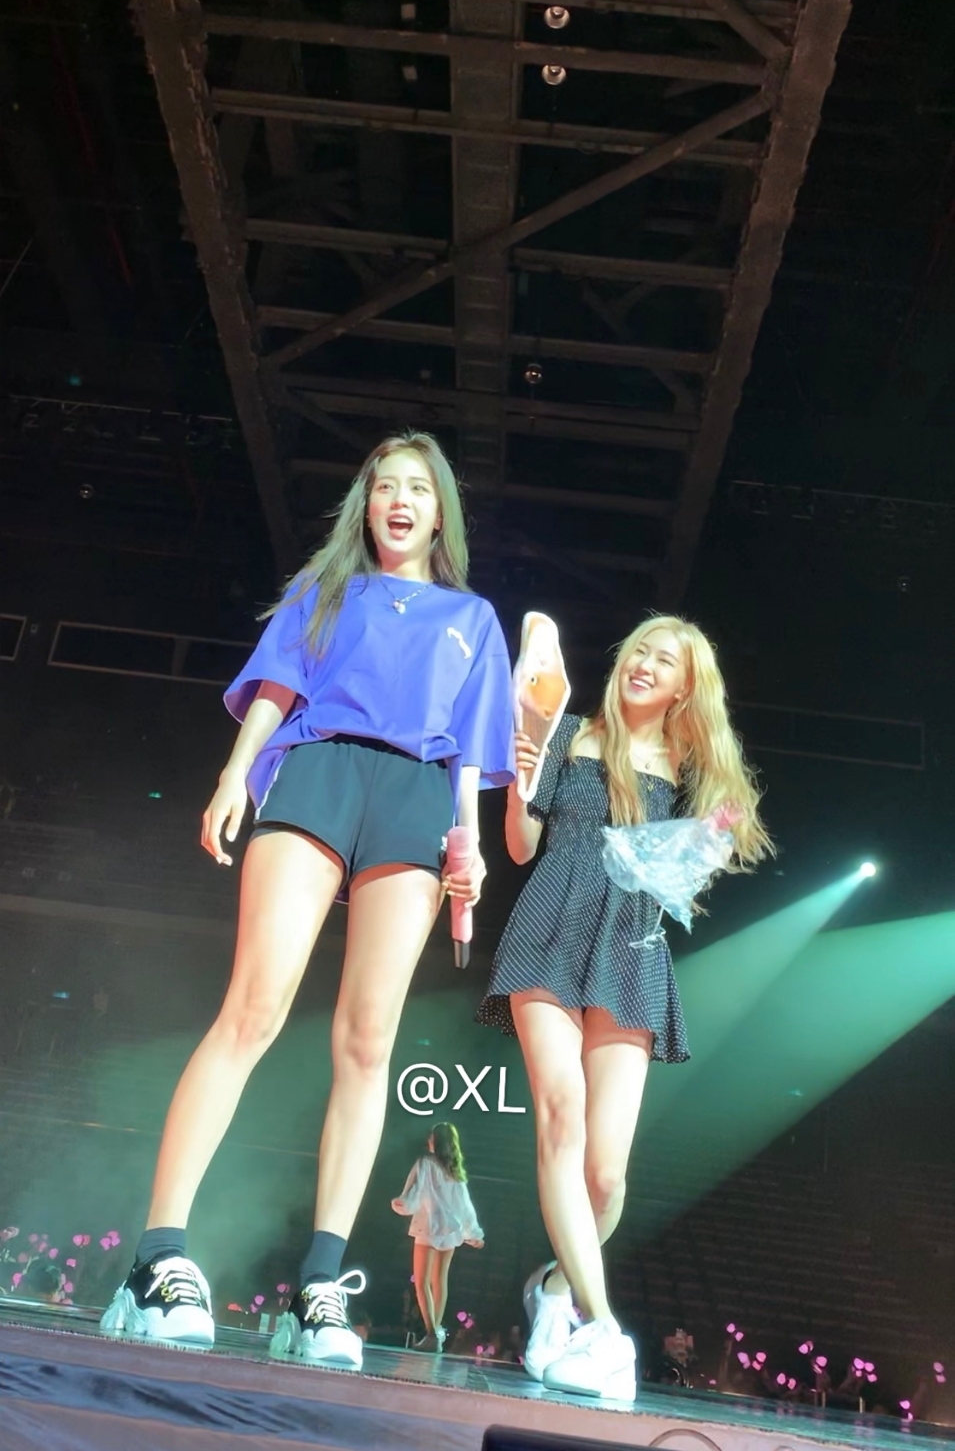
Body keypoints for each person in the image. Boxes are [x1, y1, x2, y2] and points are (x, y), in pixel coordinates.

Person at [101, 432, 513, 1369]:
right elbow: (275, 691)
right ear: (366, 506)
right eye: (384, 486)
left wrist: (469, 844)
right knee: (253, 1010)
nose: (400, 500)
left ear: (440, 513)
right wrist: (232, 776)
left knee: (368, 1043)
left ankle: (319, 1286)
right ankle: (156, 1258)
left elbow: (468, 750)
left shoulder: (472, 617)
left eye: (418, 488)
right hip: (319, 774)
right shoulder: (325, 590)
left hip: (414, 797)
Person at [479, 615, 772, 1401]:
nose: (643, 664)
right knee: (561, 1115)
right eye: (639, 650)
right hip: (548, 930)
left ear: (683, 687)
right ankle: (603, 1329)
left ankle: (551, 1291)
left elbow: (708, 853)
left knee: (604, 1175)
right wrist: (520, 776)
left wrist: (701, 842)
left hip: (629, 947)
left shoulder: (691, 767)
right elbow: (520, 846)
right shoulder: (568, 731)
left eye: (663, 661)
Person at [391, 1121, 484, 1351]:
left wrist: (402, 1204)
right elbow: (465, 1205)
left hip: (429, 1225)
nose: (428, 1140)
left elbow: (414, 1192)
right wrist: (473, 1232)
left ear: (437, 1140)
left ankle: (432, 1333)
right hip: (450, 1229)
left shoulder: (425, 1163)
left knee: (422, 1282)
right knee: (440, 1281)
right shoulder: (455, 1170)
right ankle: (435, 1333)